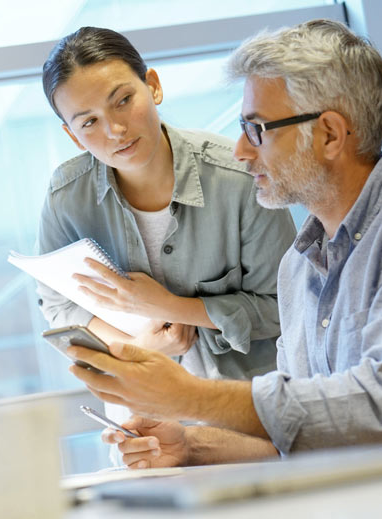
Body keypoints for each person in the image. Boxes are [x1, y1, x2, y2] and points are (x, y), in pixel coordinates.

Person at [65, 19, 382, 467]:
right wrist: (188, 442)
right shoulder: (300, 265)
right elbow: (302, 433)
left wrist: (190, 396)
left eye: (257, 129)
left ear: (331, 135)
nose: (240, 151)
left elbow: (381, 407)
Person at [37, 27, 296, 391]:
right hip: (139, 411)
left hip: (244, 406)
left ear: (153, 86)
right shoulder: (66, 197)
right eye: (89, 121)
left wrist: (170, 306)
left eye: (123, 100)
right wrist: (141, 347)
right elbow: (58, 307)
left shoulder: (238, 176)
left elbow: (286, 305)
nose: (115, 129)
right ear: (72, 135)